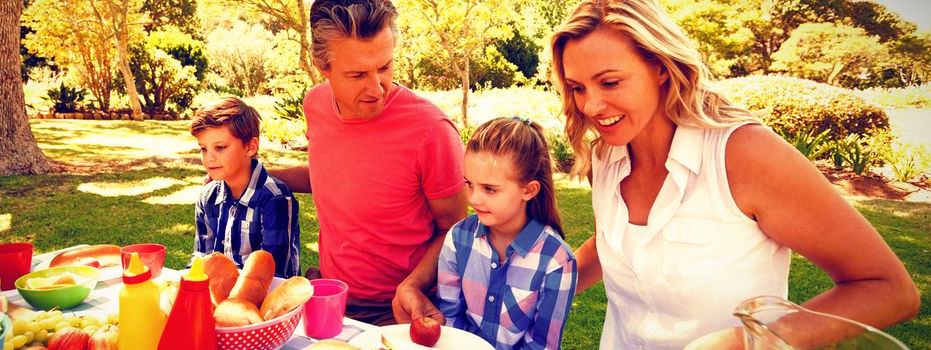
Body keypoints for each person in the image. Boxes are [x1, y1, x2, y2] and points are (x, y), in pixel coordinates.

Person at [549, 0, 920, 348]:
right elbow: (610, 243)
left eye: (610, 82)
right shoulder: (605, 156)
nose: (591, 106)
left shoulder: (745, 154)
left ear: (660, 66)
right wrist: (540, 292)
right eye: (577, 88)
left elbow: (887, 288)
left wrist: (746, 341)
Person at [270, 0, 468, 326]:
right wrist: (256, 175)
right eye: (357, 74)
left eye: (385, 67)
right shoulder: (315, 104)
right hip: (328, 294)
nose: (376, 88)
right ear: (323, 67)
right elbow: (333, 175)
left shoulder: (432, 131)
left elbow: (454, 229)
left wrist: (413, 285)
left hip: (400, 308)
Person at [438, 117, 577, 349]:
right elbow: (450, 320)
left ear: (529, 190)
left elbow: (541, 346)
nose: (474, 198)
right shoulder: (458, 238)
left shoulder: (557, 261)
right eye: (469, 183)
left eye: (489, 189)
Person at [191, 97, 301, 278]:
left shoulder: (275, 199)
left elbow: (273, 273)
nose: (209, 158)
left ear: (250, 147)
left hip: (267, 297)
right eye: (203, 148)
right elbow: (202, 257)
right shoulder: (207, 198)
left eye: (220, 147)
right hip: (220, 297)